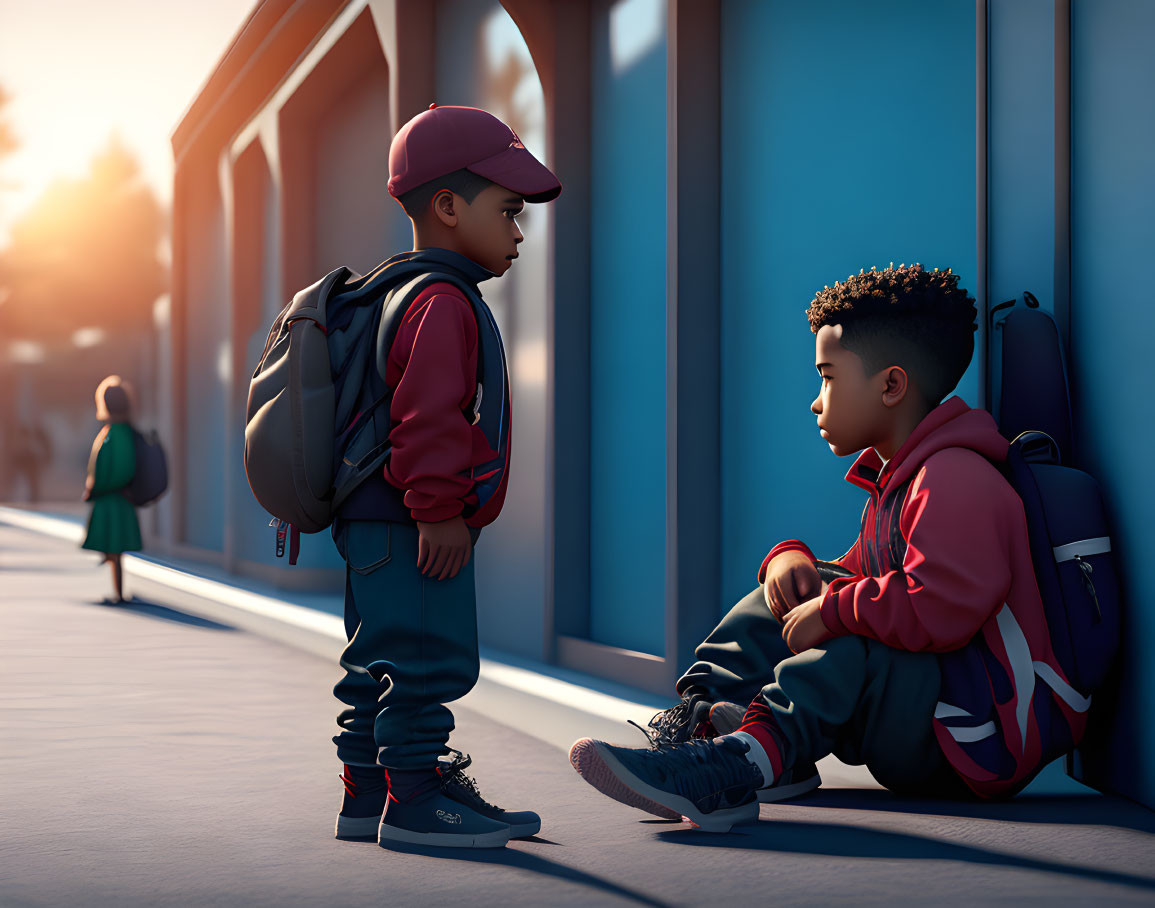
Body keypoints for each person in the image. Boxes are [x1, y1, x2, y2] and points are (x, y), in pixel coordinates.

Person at [570, 264, 1078, 832]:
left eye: (828, 378)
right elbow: (865, 576)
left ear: (890, 386)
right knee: (789, 593)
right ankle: (702, 732)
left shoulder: (957, 476)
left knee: (855, 635)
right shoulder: (906, 481)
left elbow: (941, 608)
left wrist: (833, 612)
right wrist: (796, 567)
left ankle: (735, 768)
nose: (817, 402)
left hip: (976, 735)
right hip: (927, 710)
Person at [330, 105, 561, 850]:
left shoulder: (387, 291)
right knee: (428, 658)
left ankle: (364, 795)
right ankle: (420, 801)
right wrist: (438, 511)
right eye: (509, 211)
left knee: (374, 658)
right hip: (412, 521)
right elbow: (429, 415)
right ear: (449, 206)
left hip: (368, 520)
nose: (519, 233)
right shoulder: (441, 300)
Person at [81, 375, 141, 603]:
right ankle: (118, 591)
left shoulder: (116, 433)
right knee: (114, 550)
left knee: (115, 549)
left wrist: (98, 487)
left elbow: (117, 468)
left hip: (112, 499)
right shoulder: (118, 431)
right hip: (113, 499)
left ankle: (119, 594)